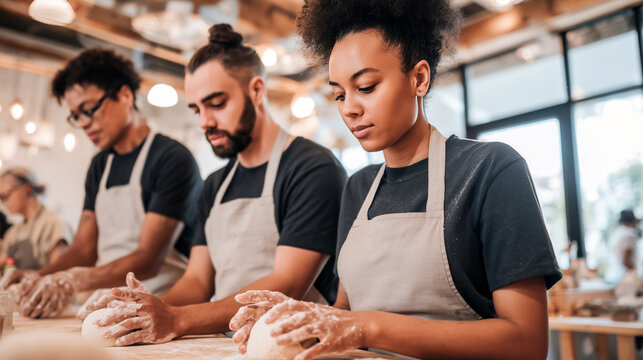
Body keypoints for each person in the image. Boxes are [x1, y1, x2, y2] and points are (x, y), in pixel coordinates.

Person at [230, 1, 563, 359]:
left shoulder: (489, 169)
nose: (349, 108)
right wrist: (291, 323)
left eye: (367, 87)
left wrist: (370, 326)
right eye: (339, 94)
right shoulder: (358, 189)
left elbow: (527, 343)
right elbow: (344, 313)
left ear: (418, 78)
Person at [79, 24, 346, 347]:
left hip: (286, 347)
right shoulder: (215, 185)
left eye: (216, 103)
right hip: (219, 343)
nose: (205, 121)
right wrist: (148, 308)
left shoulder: (311, 168)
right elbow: (197, 281)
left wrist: (177, 319)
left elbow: (286, 284)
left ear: (257, 91)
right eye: (197, 109)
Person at [0, 49, 202, 319]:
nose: (84, 124)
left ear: (125, 96)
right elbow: (84, 249)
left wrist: (74, 280)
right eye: (76, 116)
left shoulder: (172, 159)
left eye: (89, 110)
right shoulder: (100, 165)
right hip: (107, 306)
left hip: (162, 307)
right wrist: (38, 277)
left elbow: (148, 259)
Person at [0, 168, 68, 270]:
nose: (4, 202)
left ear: (27, 189)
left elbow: (59, 270)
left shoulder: (52, 223)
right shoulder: (13, 232)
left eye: (5, 196)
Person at [605, 209, 640, 285]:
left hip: (612, 276)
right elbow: (625, 261)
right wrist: (637, 273)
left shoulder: (616, 234)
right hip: (625, 279)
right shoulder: (629, 235)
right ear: (632, 220)